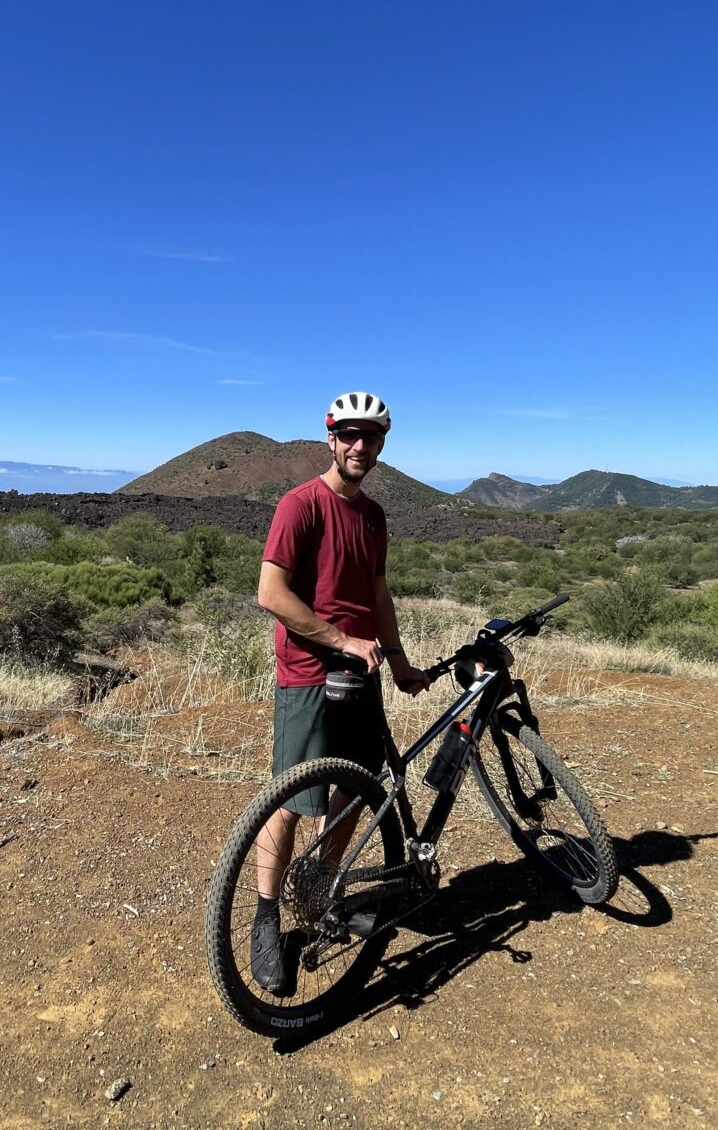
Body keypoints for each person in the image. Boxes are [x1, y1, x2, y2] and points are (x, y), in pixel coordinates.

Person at [248, 390, 431, 995]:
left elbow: (378, 595)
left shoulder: (374, 516)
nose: (358, 446)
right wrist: (340, 639)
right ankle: (267, 918)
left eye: (370, 437)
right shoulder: (300, 505)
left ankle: (324, 897)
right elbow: (271, 593)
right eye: (347, 434)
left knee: (354, 793)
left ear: (381, 445)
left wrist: (399, 661)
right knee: (292, 800)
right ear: (330, 439)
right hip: (308, 675)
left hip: (363, 678)